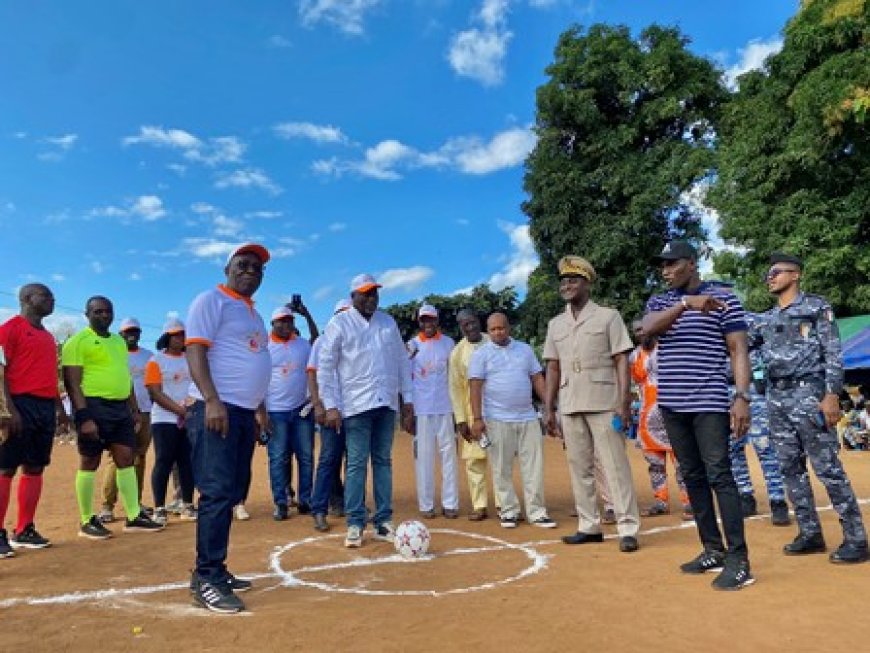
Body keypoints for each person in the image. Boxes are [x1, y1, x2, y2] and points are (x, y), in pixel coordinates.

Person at [642, 240, 753, 591]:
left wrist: (741, 397)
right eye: (662, 265)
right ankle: (712, 549)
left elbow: (738, 349)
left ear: (691, 263)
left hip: (709, 402)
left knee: (720, 475)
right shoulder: (662, 300)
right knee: (692, 476)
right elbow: (645, 330)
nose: (665, 270)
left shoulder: (725, 299)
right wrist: (686, 304)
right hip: (672, 405)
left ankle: (739, 560)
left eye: (672, 263)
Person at [751, 252, 868, 564]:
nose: (770, 277)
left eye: (776, 272)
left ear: (795, 275)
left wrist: (831, 394)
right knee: (790, 469)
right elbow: (739, 344)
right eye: (768, 273)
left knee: (827, 467)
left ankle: (856, 539)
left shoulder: (817, 307)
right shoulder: (765, 319)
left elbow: (833, 352)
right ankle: (810, 533)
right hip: (776, 398)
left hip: (809, 393)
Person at [185, 243, 272, 613]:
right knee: (217, 493)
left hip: (242, 413)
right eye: (243, 264)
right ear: (227, 269)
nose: (250, 270)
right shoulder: (211, 301)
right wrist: (213, 400)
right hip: (216, 410)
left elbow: (256, 360)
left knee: (232, 491)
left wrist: (259, 409)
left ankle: (217, 569)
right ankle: (206, 578)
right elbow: (196, 351)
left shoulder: (252, 314)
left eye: (257, 267)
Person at [542, 257, 639, 553]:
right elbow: (553, 367)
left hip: (604, 401)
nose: (567, 285)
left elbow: (622, 359)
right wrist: (549, 407)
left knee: (614, 466)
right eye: (564, 281)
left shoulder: (608, 317)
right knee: (579, 467)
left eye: (573, 280)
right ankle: (588, 525)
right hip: (570, 403)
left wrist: (624, 402)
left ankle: (627, 527)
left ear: (587, 282)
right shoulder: (556, 323)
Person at [317, 273, 414, 548]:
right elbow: (326, 367)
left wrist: (407, 400)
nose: (371, 298)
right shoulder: (339, 324)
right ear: (353, 297)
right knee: (357, 464)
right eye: (365, 293)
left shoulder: (388, 322)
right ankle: (355, 522)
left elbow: (402, 363)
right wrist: (331, 405)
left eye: (374, 293)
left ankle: (383, 521)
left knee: (383, 461)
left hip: (385, 404)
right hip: (356, 405)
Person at [62, 296, 164, 540]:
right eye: (98, 312)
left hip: (120, 408)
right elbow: (72, 383)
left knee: (126, 457)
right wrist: (83, 416)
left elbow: (124, 376)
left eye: (107, 312)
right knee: (90, 461)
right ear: (87, 314)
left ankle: (133, 515)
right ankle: (87, 520)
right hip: (92, 406)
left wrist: (134, 408)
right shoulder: (77, 342)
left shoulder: (119, 342)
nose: (104, 315)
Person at [469, 312, 556, 530]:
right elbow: (475, 386)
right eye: (493, 329)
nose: (498, 332)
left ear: (509, 328)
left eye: (502, 328)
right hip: (496, 419)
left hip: (527, 417)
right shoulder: (481, 354)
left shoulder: (525, 350)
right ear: (488, 332)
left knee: (533, 467)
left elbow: (537, 378)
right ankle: (509, 511)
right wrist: (477, 419)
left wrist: (548, 408)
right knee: (501, 468)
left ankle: (537, 512)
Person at [0, 284, 67, 554]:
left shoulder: (48, 337)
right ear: (27, 299)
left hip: (44, 408)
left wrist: (59, 410)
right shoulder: (9, 329)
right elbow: (0, 372)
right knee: (5, 468)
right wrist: (8, 410)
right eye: (46, 296)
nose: (52, 300)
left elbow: (49, 377)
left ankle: (24, 528)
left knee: (35, 467)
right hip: (18, 404)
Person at [729, 319, 790, 526]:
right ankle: (745, 495)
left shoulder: (751, 320)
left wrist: (762, 378)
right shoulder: (712, 322)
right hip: (726, 391)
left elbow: (769, 350)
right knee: (734, 447)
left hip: (754, 392)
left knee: (764, 445)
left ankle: (777, 499)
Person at [629, 320, 691, 521]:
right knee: (654, 464)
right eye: (637, 330)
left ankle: (690, 502)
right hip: (648, 416)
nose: (641, 333)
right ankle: (661, 502)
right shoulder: (635, 355)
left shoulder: (668, 348)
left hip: (672, 410)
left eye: (643, 328)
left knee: (682, 463)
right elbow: (637, 382)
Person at [99, 317, 153, 523]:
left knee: (139, 458)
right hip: (119, 413)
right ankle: (107, 505)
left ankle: (135, 503)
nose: (131, 335)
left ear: (140, 334)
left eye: (135, 331)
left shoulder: (149, 357)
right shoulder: (112, 354)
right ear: (120, 334)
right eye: (127, 332)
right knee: (116, 459)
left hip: (146, 412)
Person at [263, 305, 314, 521]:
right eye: (281, 321)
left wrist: (307, 315)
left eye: (289, 321)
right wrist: (260, 413)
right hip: (275, 412)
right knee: (278, 458)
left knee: (306, 457)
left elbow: (317, 345)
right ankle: (281, 502)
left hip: (301, 410)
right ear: (272, 324)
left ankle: (305, 500)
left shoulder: (303, 345)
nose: (285, 325)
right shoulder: (263, 347)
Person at [408, 304, 459, 519]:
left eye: (431, 320)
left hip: (446, 407)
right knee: (424, 459)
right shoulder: (411, 345)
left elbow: (455, 376)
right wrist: (408, 409)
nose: (427, 324)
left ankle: (450, 503)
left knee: (449, 456)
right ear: (419, 322)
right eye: (424, 320)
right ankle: (426, 504)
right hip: (422, 410)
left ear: (437, 321)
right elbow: (406, 378)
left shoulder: (449, 344)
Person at [144, 318, 196, 524]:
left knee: (187, 462)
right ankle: (159, 508)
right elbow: (155, 393)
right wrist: (179, 410)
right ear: (166, 337)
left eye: (182, 334)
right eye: (175, 335)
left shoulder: (191, 358)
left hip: (188, 417)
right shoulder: (156, 361)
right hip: (164, 419)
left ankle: (188, 504)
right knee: (164, 461)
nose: (180, 338)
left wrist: (190, 410)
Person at [308, 299, 351, 532]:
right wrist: (318, 405)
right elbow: (312, 375)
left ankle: (355, 506)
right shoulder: (322, 342)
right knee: (328, 460)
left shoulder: (357, 341)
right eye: (341, 314)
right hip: (331, 412)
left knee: (354, 462)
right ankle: (319, 509)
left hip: (354, 412)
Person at [449, 309, 495, 521]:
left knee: (499, 459)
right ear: (461, 327)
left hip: (497, 410)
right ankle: (480, 506)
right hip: (471, 413)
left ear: (479, 321)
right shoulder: (458, 353)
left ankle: (505, 505)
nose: (471, 327)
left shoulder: (494, 341)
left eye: (473, 322)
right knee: (474, 462)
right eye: (465, 324)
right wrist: (460, 420)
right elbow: (455, 388)